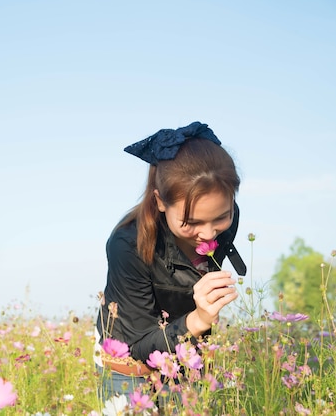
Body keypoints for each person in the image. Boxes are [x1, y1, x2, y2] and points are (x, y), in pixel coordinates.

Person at [95, 121, 247, 402]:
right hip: (129, 371)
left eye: (221, 217)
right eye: (192, 222)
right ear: (160, 201)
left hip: (187, 358)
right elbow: (136, 343)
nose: (208, 233)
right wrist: (199, 318)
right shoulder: (127, 245)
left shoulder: (228, 220)